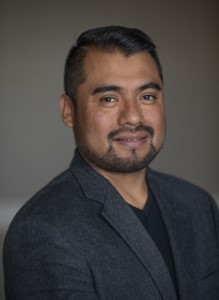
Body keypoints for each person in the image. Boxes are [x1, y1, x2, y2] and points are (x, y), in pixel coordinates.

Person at [3, 26, 219, 300]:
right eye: (109, 99)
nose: (132, 117)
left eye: (147, 96)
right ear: (69, 111)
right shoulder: (42, 231)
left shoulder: (198, 205)